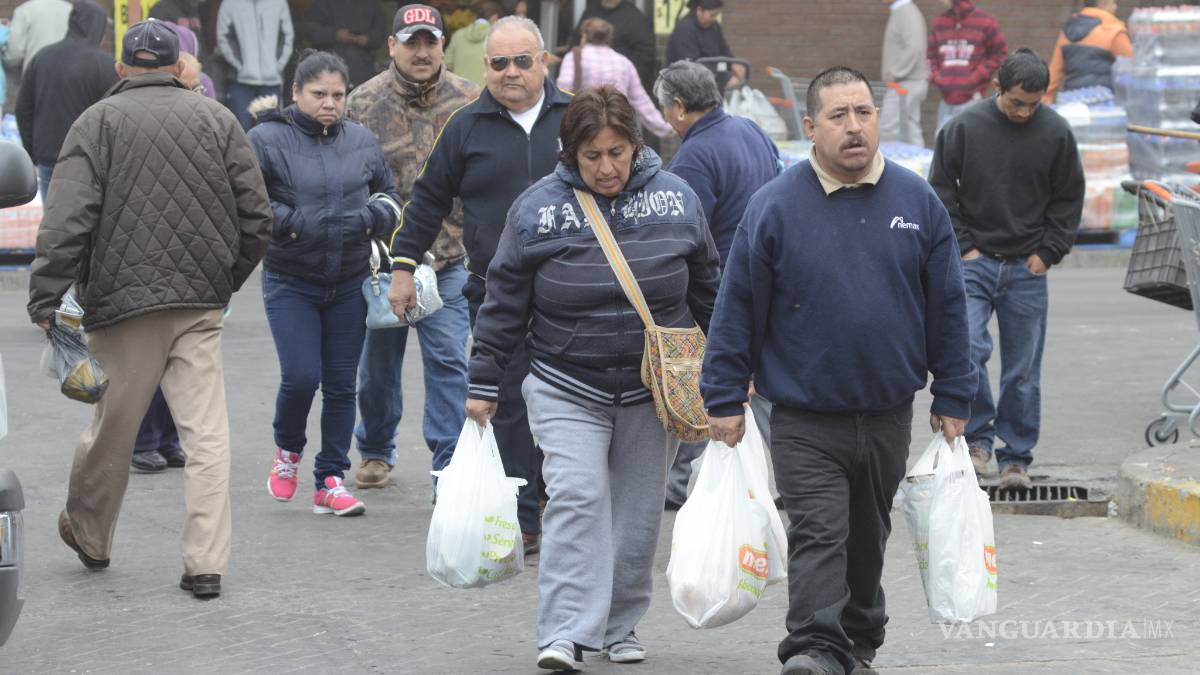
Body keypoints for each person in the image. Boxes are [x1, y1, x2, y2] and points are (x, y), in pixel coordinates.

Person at [702, 66, 975, 675]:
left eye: (864, 113)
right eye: (838, 116)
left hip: (886, 414)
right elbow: (737, 306)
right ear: (810, 126)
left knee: (866, 538)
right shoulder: (773, 206)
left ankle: (858, 641)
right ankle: (814, 648)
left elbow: (948, 305)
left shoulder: (916, 201)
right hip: (802, 416)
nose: (854, 127)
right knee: (819, 532)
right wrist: (722, 395)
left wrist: (956, 392)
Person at [466, 85, 720, 672]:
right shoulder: (535, 209)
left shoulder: (677, 200)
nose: (606, 167)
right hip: (564, 384)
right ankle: (562, 633)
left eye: (617, 152)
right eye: (591, 156)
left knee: (636, 515)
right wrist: (483, 382)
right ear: (569, 155)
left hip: (649, 390)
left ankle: (618, 624)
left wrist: (735, 372)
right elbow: (503, 302)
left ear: (636, 145)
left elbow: (710, 289)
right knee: (577, 497)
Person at [27, 19, 272, 599]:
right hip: (199, 303)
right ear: (178, 65)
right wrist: (225, 280)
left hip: (122, 303)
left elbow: (67, 220)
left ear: (122, 69)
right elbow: (257, 216)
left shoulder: (97, 122)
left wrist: (46, 296)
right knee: (207, 436)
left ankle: (90, 534)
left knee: (113, 428)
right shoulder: (217, 119)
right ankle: (205, 563)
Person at [387, 16, 572, 554]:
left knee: (568, 402)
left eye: (521, 60)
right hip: (496, 293)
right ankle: (525, 515)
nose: (510, 72)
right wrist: (402, 268)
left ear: (544, 61)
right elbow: (426, 202)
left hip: (576, 293)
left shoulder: (577, 117)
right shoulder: (465, 126)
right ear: (484, 67)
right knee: (508, 403)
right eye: (498, 63)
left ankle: (564, 502)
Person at [249, 50, 399, 518]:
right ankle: (288, 451)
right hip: (290, 280)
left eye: (338, 95)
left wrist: (371, 217)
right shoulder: (265, 138)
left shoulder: (361, 139)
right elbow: (249, 201)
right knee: (300, 378)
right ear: (296, 93)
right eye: (319, 94)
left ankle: (331, 479)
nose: (330, 103)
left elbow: (390, 194)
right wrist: (292, 223)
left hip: (350, 278)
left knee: (339, 386)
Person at [929, 48, 1084, 491]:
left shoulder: (1055, 133)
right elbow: (940, 190)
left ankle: (1015, 456)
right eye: (1017, 102)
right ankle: (978, 441)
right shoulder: (963, 128)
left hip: (1027, 268)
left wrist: (1049, 252)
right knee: (968, 351)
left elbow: (1068, 198)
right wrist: (965, 248)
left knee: (1022, 369)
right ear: (998, 88)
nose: (1024, 112)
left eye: (1033, 104)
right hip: (975, 264)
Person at [345, 4, 481, 492]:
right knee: (378, 363)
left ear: (443, 44)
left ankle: (447, 459)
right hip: (384, 262)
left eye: (430, 41)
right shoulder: (361, 104)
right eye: (412, 42)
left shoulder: (472, 101)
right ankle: (376, 447)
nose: (421, 52)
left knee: (448, 356)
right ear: (392, 46)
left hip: (449, 256)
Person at [652, 60, 779, 509]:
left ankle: (681, 481)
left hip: (721, 284)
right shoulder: (751, 131)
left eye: (666, 107)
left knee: (713, 378)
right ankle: (782, 473)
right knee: (761, 380)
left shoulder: (693, 157)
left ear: (680, 107)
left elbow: (685, 234)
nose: (666, 117)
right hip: (769, 273)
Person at [15, 0, 117, 202]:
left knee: (54, 225)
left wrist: (33, 152)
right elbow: (117, 116)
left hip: (49, 158)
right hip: (91, 161)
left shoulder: (42, 57)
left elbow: (22, 109)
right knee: (91, 227)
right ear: (97, 27)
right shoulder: (105, 64)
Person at [557, 18, 671, 141]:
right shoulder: (624, 63)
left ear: (584, 36)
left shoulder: (573, 58)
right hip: (617, 129)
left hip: (584, 128)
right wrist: (665, 128)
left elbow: (563, 91)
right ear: (609, 38)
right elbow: (641, 102)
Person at [928, 0, 1007, 129]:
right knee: (943, 143)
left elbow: (1000, 53)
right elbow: (930, 58)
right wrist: (938, 78)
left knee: (970, 144)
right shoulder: (939, 22)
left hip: (973, 100)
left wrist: (975, 77)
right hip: (945, 100)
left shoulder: (985, 22)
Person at [217, 0, 294, 130]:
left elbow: (287, 37)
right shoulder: (230, 3)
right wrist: (240, 66)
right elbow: (224, 37)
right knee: (240, 132)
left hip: (271, 82)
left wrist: (277, 67)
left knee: (272, 131)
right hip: (241, 82)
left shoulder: (279, 3)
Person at [1044, 0, 1132, 103]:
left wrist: (1045, 99)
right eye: (1113, 3)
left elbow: (1054, 72)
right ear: (1104, 2)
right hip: (1104, 104)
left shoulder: (1068, 31)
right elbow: (1133, 70)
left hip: (1072, 101)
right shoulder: (1113, 31)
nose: (1115, 7)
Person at [569, 0, 657, 96]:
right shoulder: (590, 12)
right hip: (586, 87)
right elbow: (575, 43)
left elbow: (645, 54)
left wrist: (627, 82)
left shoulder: (635, 18)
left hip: (619, 88)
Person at [303, 0, 388, 88]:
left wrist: (367, 39)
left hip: (363, 69)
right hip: (329, 66)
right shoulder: (322, 3)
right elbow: (310, 31)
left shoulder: (371, 5)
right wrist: (335, 35)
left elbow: (380, 34)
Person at [880, 0, 929, 147]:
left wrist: (894, 73)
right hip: (908, 82)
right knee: (910, 131)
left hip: (906, 83)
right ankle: (920, 168)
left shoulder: (906, 12)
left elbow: (915, 48)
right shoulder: (902, 11)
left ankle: (886, 170)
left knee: (887, 129)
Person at [666, 0, 744, 90]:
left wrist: (733, 63)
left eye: (717, 15)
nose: (714, 18)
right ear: (699, 11)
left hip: (710, 72)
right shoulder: (684, 28)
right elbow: (691, 63)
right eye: (712, 15)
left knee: (734, 82)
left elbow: (723, 48)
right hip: (685, 79)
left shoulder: (714, 27)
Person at [2, 0, 70, 73]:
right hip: (68, 74)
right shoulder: (71, 9)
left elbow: (14, 55)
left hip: (35, 74)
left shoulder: (24, 10)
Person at [444, 0, 501, 88]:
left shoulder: (458, 35)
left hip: (460, 94)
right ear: (494, 17)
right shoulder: (497, 36)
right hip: (487, 94)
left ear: (475, 16)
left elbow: (446, 64)